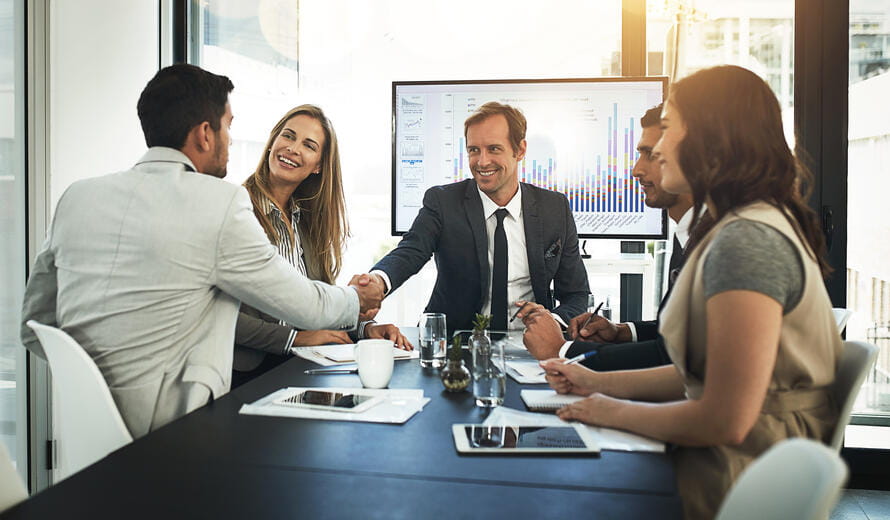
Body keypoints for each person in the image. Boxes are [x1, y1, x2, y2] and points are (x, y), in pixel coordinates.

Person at [540, 65, 842, 519]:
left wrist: (607, 410)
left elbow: (724, 417)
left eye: (668, 131)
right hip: (746, 457)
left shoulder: (745, 242)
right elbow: (702, 374)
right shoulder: (740, 227)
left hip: (735, 473)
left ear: (710, 140)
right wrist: (595, 384)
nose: (657, 151)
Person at [19, 64, 383, 439]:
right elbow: (304, 305)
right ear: (205, 134)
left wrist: (95, 383)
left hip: (83, 437)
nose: (230, 138)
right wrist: (358, 299)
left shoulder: (77, 196)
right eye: (227, 125)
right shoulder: (220, 202)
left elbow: (35, 326)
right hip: (178, 437)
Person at [359, 102, 589, 333]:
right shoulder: (443, 201)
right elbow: (411, 250)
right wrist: (379, 281)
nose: (482, 162)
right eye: (474, 150)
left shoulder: (554, 208)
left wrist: (552, 322)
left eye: (494, 149)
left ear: (520, 150)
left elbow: (576, 294)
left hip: (531, 346)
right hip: (456, 344)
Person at [233, 105, 409, 387]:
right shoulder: (236, 210)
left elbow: (316, 304)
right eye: (288, 136)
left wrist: (366, 330)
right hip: (248, 373)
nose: (292, 148)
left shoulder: (305, 222)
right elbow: (219, 315)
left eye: (308, 145)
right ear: (271, 144)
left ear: (318, 166)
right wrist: (294, 338)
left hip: (299, 367)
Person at [521, 104, 694, 371]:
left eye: (652, 154)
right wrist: (623, 331)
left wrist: (562, 350)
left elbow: (677, 361)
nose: (636, 170)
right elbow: (680, 337)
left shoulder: (726, 240)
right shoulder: (687, 231)